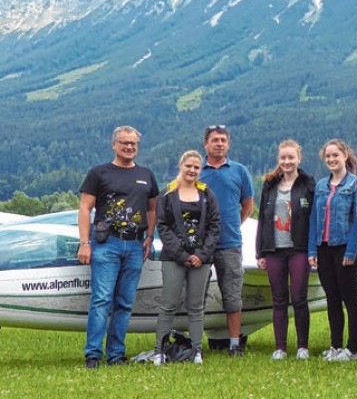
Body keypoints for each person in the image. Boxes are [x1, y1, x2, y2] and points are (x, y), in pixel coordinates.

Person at [77, 126, 158, 369]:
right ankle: (93, 354)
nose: (129, 147)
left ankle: (116, 355)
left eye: (133, 144)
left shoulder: (146, 175)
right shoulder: (99, 173)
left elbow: (153, 208)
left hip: (135, 244)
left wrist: (150, 237)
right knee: (101, 300)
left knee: (124, 302)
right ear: (114, 145)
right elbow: (84, 209)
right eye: (124, 143)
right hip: (106, 243)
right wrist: (84, 243)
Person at [153, 150, 220, 366]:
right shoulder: (167, 194)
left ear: (200, 170)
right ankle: (159, 351)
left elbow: (214, 226)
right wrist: (182, 255)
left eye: (196, 167)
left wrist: (201, 255)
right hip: (174, 258)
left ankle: (197, 350)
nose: (192, 170)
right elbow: (162, 226)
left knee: (196, 306)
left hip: (201, 258)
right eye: (188, 166)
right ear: (181, 166)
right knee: (169, 304)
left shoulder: (207, 194)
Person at [256, 140, 316, 360]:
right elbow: (262, 218)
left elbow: (315, 218)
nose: (287, 162)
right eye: (283, 158)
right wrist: (260, 252)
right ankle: (280, 347)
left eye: (291, 158)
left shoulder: (308, 183)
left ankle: (302, 346)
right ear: (278, 160)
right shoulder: (270, 184)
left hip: (299, 248)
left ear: (299, 158)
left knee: (299, 297)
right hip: (274, 249)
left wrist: (313, 250)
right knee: (278, 299)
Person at [199, 125, 255, 357]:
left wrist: (230, 225)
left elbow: (248, 207)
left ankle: (234, 344)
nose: (219, 143)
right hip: (200, 245)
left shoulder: (240, 171)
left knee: (232, 295)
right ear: (206, 144)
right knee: (196, 295)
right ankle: (193, 344)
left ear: (228, 144)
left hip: (230, 243)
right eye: (214, 140)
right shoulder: (195, 171)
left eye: (223, 140)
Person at [308, 139, 357, 362]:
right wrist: (312, 248)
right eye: (328, 156)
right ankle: (335, 345)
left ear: (345, 156)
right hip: (324, 248)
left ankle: (352, 348)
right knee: (332, 298)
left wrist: (351, 251)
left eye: (335, 155)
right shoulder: (321, 185)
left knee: (349, 298)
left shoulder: (355, 184)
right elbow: (314, 219)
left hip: (344, 248)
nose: (331, 160)